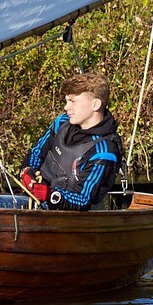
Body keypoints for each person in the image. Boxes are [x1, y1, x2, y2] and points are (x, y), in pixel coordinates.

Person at [21, 72, 123, 210]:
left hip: (71, 219)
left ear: (95, 104)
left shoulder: (104, 151)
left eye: (72, 101)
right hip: (35, 205)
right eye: (66, 101)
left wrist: (50, 194)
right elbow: (37, 152)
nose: (66, 107)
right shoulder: (61, 123)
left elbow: (83, 199)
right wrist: (28, 170)